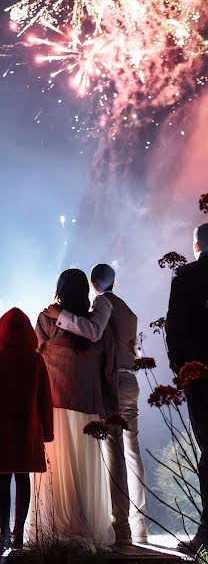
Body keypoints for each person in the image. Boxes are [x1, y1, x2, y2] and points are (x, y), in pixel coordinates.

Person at [49, 263, 147, 545]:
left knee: (114, 451)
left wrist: (61, 315)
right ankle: (140, 523)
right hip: (131, 381)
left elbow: (93, 331)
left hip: (114, 381)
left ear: (93, 284)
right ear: (114, 283)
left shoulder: (103, 303)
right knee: (132, 452)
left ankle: (122, 527)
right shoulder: (127, 308)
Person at [28, 269, 118, 548]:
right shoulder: (97, 326)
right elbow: (109, 366)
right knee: (85, 472)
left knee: (56, 471)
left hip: (54, 406)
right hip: (88, 407)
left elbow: (34, 358)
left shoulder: (47, 320)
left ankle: (54, 524)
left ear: (60, 290)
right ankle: (85, 523)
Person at [0, 308, 53, 550]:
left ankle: (5, 533)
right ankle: (19, 534)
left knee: (2, 478)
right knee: (23, 477)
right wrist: (47, 432)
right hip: (27, 429)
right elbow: (45, 399)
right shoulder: (36, 360)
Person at [166, 223, 208, 554]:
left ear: (196, 247)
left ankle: (206, 532)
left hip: (201, 377)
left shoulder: (186, 277)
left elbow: (174, 329)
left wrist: (182, 370)